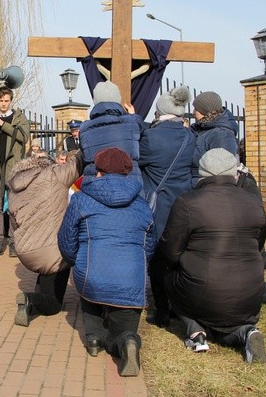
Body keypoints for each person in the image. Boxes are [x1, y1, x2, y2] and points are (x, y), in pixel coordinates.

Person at [155, 148, 266, 363]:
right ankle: (247, 332)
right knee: (226, 325)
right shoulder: (254, 201)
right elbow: (259, 244)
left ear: (202, 173)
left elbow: (169, 252)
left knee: (171, 277)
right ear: (234, 172)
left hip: (201, 290)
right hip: (250, 295)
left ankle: (195, 331)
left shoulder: (188, 202)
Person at [58, 148, 155, 377]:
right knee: (123, 326)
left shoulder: (81, 200)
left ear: (98, 171)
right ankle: (127, 340)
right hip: (130, 278)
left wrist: (76, 260)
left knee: (90, 291)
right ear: (127, 172)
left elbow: (66, 239)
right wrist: (139, 264)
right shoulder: (141, 204)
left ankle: (94, 339)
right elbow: (150, 242)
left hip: (92, 274)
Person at [138, 86, 196, 326]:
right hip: (184, 206)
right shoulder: (189, 136)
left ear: (159, 112)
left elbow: (138, 158)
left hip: (159, 207)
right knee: (180, 257)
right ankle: (181, 306)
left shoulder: (151, 138)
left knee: (159, 260)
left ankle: (162, 311)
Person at [8, 149, 82, 327]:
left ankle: (38, 297)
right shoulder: (53, 175)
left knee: (46, 269)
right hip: (52, 252)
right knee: (54, 305)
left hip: (25, 250)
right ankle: (31, 300)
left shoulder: (15, 184)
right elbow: (79, 163)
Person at [0, 86, 30, 257]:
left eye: (6, 101)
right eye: (0, 100)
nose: (3, 104)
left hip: (13, 169)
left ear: (11, 101)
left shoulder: (19, 118)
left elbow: (24, 137)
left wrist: (4, 125)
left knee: (13, 208)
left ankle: (12, 242)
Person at [79, 81, 143, 184]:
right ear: (118, 99)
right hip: (129, 183)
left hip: (95, 183)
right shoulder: (132, 122)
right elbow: (140, 127)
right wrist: (133, 115)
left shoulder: (85, 128)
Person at [190, 91, 239, 186]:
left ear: (204, 111)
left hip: (206, 191)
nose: (193, 112)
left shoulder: (221, 135)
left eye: (196, 109)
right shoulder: (201, 128)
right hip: (197, 187)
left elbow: (221, 172)